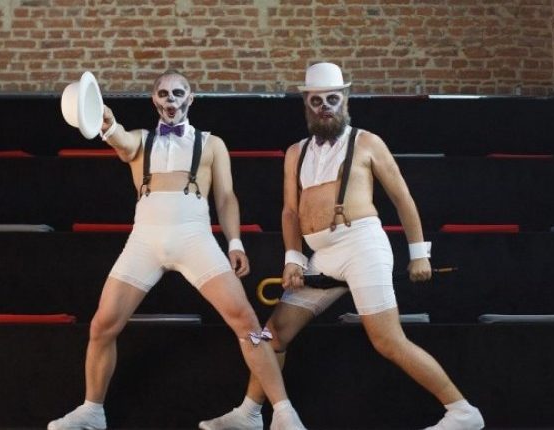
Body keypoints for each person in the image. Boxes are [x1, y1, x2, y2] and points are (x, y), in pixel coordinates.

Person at [199, 62, 485, 430]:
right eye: (317, 101)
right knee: (270, 335)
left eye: (332, 99)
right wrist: (293, 259)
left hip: (362, 245)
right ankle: (250, 413)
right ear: (307, 103)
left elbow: (402, 197)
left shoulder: (366, 142)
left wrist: (419, 253)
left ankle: (462, 411)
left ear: (345, 100)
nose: (325, 107)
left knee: (387, 339)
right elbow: (290, 212)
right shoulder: (296, 152)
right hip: (322, 257)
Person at [48, 70, 307, 430]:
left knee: (248, 323)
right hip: (145, 241)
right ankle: (92, 411)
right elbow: (121, 142)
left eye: (178, 93)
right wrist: (106, 123)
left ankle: (282, 413)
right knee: (102, 325)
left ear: (190, 98)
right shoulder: (140, 140)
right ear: (154, 100)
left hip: (194, 238)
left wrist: (234, 242)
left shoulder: (212, 144)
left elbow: (226, 197)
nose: (171, 99)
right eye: (164, 93)